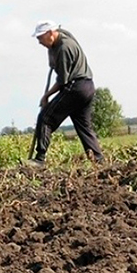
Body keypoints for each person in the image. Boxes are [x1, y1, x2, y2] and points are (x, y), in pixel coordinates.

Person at [26, 21, 103, 168]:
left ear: (50, 33)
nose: (39, 42)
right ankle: (99, 162)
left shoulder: (64, 48)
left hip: (76, 88)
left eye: (40, 38)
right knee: (84, 127)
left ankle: (39, 159)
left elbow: (62, 81)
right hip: (88, 86)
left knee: (46, 118)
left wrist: (46, 96)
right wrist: (51, 54)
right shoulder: (63, 38)